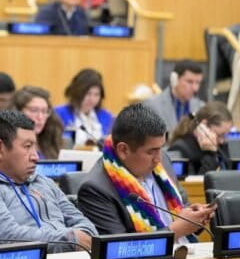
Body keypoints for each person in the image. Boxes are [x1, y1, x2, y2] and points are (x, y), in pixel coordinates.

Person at [0, 111, 97, 252]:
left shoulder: (43, 182)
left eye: (35, 147)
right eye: (27, 147)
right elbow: (7, 238)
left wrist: (79, 238)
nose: (35, 156)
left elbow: (87, 226)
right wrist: (71, 240)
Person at [77, 103, 215, 237]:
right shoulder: (96, 189)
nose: (158, 158)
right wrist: (175, 231)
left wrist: (193, 216)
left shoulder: (163, 160)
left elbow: (182, 207)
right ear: (123, 150)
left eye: (161, 148)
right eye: (151, 151)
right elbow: (119, 250)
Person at [55, 69, 114, 147]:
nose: (92, 99)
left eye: (96, 94)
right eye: (88, 94)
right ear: (77, 92)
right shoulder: (59, 113)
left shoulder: (107, 116)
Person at [169, 102, 233, 175]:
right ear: (204, 126)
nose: (222, 141)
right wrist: (210, 154)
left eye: (225, 135)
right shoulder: (182, 148)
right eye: (220, 135)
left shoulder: (221, 144)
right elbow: (196, 184)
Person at [144, 60, 205, 132]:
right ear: (174, 80)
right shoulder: (152, 105)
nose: (195, 88)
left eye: (198, 83)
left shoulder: (201, 107)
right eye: (189, 82)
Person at [14, 86, 65, 159]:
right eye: (34, 110)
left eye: (44, 111)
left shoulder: (52, 142)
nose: (40, 117)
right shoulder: (11, 144)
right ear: (18, 111)